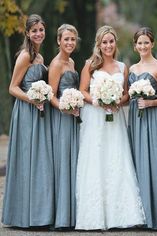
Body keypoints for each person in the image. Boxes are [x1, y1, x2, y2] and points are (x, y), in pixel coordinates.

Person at [75, 25, 145, 230]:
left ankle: (121, 215)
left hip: (115, 119)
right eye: (104, 42)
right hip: (94, 118)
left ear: (115, 43)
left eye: (111, 41)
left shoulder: (123, 67)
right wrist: (98, 100)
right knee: (96, 159)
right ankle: (94, 216)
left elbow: (126, 96)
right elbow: (82, 90)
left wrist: (115, 100)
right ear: (99, 44)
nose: (108, 45)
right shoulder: (90, 65)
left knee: (116, 158)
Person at [2, 14, 54, 228]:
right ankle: (22, 215)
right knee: (27, 158)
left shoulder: (40, 58)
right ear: (27, 33)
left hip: (40, 111)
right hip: (26, 111)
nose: (38, 34)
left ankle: (38, 213)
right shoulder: (25, 56)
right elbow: (12, 87)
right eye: (34, 31)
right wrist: (32, 99)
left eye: (41, 30)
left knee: (39, 160)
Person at [128, 27, 157, 229]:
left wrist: (150, 103)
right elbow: (127, 96)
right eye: (140, 43)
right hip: (135, 120)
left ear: (152, 44)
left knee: (154, 161)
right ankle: (138, 215)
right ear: (135, 45)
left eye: (146, 42)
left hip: (152, 118)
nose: (143, 46)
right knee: (135, 160)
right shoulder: (131, 69)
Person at [48, 24, 80, 229]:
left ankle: (72, 213)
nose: (69, 42)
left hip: (74, 116)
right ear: (59, 40)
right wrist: (64, 107)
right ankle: (61, 216)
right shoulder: (57, 64)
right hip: (62, 117)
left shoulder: (72, 62)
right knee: (63, 161)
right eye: (66, 39)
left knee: (73, 160)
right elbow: (51, 93)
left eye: (73, 39)